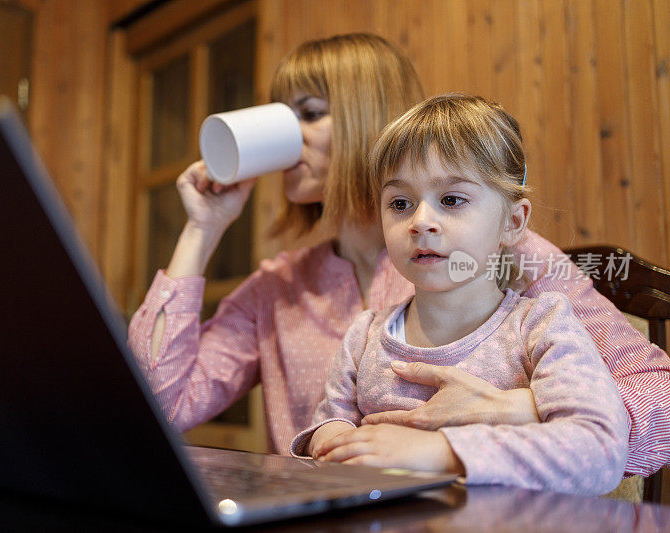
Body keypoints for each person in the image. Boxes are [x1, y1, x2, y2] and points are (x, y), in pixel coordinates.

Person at [127, 33, 669, 478]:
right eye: (280, 114)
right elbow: (159, 407)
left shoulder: (499, 258)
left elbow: (660, 402)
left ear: (372, 119)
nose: (286, 134)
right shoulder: (278, 289)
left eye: (309, 113)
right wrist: (201, 229)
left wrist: (519, 410)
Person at [289, 94, 628, 495]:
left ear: (513, 222)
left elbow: (598, 452)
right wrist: (329, 437)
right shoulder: (364, 335)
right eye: (400, 203)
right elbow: (331, 419)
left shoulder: (543, 325)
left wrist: (439, 451)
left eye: (451, 199)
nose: (420, 222)